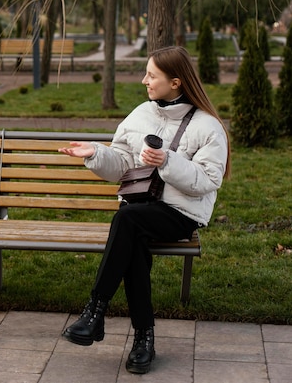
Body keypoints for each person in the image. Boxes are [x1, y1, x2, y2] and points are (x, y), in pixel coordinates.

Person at [58, 46, 230, 374]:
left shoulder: (208, 127)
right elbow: (122, 162)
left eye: (152, 75)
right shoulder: (141, 114)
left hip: (180, 213)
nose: (144, 81)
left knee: (127, 220)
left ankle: (95, 313)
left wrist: (167, 160)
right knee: (131, 233)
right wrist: (94, 152)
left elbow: (207, 181)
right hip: (139, 209)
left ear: (176, 82)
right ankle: (142, 340)